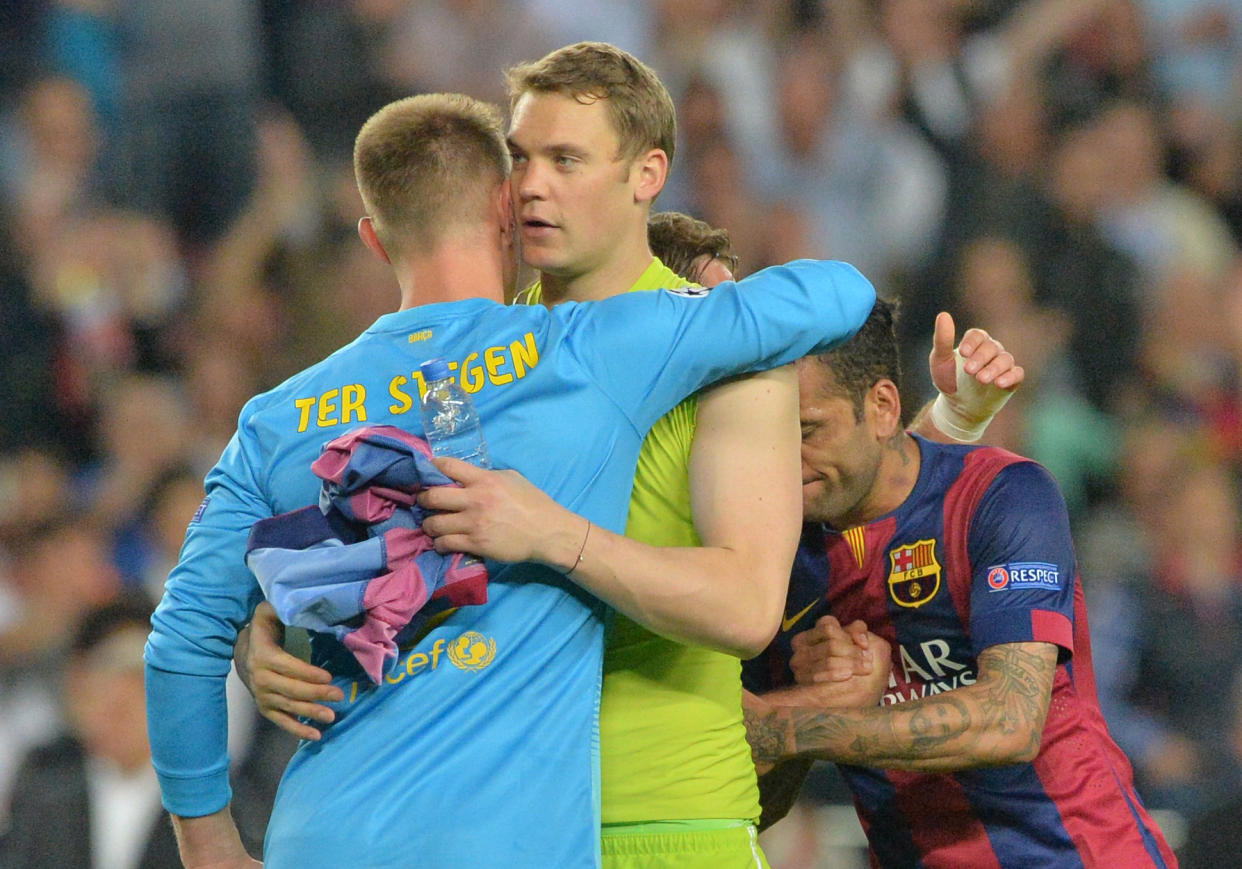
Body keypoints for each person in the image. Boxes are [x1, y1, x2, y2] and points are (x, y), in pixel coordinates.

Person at [239, 41, 1021, 864]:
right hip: (485, 825)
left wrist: (555, 535)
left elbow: (747, 606)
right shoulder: (462, 359)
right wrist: (280, 623)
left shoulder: (730, 356)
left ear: (647, 174)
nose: (532, 184)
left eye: (566, 159)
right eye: (520, 157)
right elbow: (397, 536)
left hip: (665, 823)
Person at [143, 92, 877, 869]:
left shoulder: (274, 419)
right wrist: (697, 309)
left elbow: (180, 643)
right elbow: (837, 293)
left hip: (323, 837)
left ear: (373, 237)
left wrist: (209, 842)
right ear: (507, 209)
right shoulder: (585, 352)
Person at [738, 299, 1178, 867]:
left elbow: (1010, 720)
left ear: (881, 407)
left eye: (807, 431)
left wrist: (796, 724)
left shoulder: (1001, 496)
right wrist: (814, 700)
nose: (784, 460)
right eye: (767, 436)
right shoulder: (781, 561)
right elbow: (758, 802)